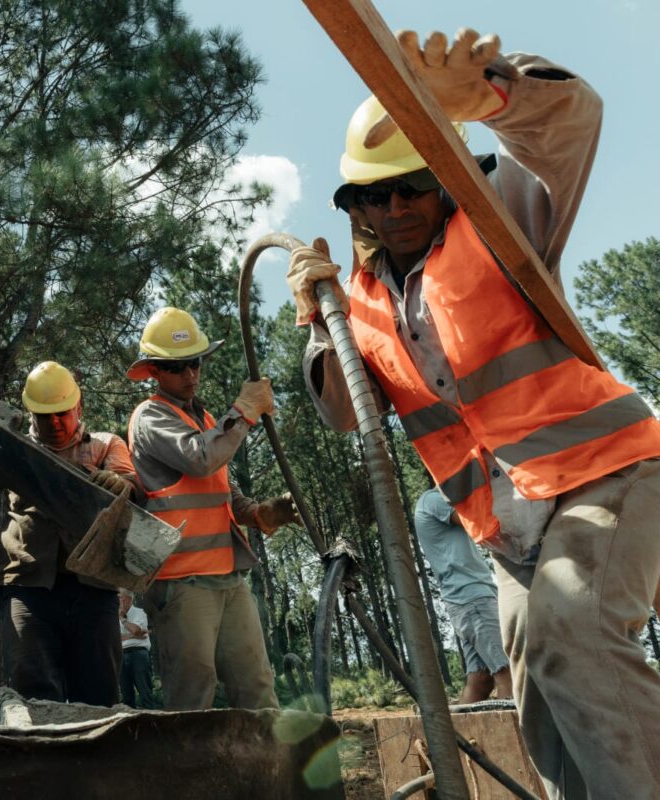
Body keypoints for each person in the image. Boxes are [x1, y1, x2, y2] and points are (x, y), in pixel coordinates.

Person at [286, 27, 660, 798]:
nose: (393, 208)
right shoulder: (360, 303)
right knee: (542, 694)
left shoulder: (497, 219)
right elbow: (344, 417)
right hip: (512, 529)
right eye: (372, 196)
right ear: (354, 206)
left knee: (574, 635)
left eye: (411, 186)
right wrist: (317, 324)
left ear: (444, 178)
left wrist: (494, 94)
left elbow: (575, 123)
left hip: (606, 472)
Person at [126, 306, 298, 711]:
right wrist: (243, 413)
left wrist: (259, 513)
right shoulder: (150, 417)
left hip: (228, 579)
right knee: (193, 700)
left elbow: (219, 487)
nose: (190, 375)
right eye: (177, 367)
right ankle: (193, 775)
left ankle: (266, 773)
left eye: (195, 364)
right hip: (182, 583)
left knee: (257, 689)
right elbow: (200, 458)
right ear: (153, 371)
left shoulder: (202, 417)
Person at [0, 361, 136, 706]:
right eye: (45, 416)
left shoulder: (105, 446)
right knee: (32, 692)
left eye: (62, 413)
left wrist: (119, 484)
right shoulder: (12, 450)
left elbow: (132, 485)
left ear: (79, 406)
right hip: (28, 589)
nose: (55, 423)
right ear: (31, 414)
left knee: (99, 695)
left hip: (93, 589)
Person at [415, 487, 512, 704]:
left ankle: (459, 738)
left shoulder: (436, 502)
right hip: (472, 597)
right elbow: (479, 521)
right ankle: (519, 736)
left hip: (467, 599)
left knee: (480, 680)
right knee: (508, 672)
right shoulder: (433, 500)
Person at [118, 589, 156, 709]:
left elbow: (136, 630)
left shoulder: (140, 612)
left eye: (121, 598)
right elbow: (114, 638)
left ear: (129, 599)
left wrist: (123, 620)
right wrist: (135, 634)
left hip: (139, 653)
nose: (119, 601)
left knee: (145, 691)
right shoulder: (114, 615)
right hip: (121, 655)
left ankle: (151, 721)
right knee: (126, 695)